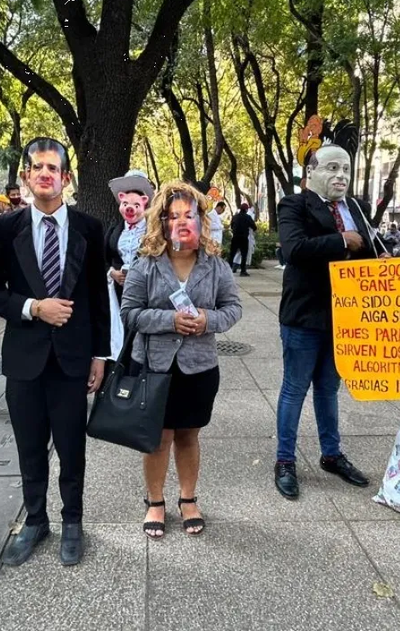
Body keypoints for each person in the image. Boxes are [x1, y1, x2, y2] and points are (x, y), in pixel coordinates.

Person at [0, 137, 109, 567]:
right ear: (25, 176)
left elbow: (97, 295)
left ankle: (72, 522)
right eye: (36, 167)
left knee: (72, 447)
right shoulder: (5, 227)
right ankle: (35, 521)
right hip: (24, 359)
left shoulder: (90, 229)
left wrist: (100, 354)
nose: (44, 174)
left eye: (52, 168)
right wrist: (33, 307)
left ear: (65, 178)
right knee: (30, 446)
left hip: (73, 359)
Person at [121, 181, 243, 538]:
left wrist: (208, 320)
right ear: (162, 221)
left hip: (199, 366)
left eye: (188, 214)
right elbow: (129, 313)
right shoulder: (146, 263)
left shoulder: (215, 265)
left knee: (189, 435)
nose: (181, 221)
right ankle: (155, 501)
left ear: (200, 219)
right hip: (155, 366)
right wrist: (168, 320)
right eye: (173, 215)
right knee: (158, 438)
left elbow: (233, 309)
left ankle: (188, 498)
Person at [274, 122, 387, 500]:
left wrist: (381, 258)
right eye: (332, 168)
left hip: (345, 318)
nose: (341, 176)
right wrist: (340, 239)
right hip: (305, 316)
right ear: (311, 173)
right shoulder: (293, 204)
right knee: (294, 389)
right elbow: (295, 250)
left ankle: (332, 454)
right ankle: (285, 460)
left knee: (328, 389)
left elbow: (366, 249)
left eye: (346, 170)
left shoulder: (355, 207)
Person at [105, 170, 154, 360]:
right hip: (117, 293)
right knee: (119, 331)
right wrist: (112, 273)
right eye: (126, 203)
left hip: (145, 294)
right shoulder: (114, 229)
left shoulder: (154, 231)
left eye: (135, 204)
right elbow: (103, 258)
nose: (130, 208)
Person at [227, 202, 257, 276]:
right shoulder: (248, 217)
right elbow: (254, 227)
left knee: (232, 254)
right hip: (244, 238)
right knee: (244, 255)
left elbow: (231, 226)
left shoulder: (235, 217)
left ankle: (228, 270)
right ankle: (243, 271)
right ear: (246, 210)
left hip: (235, 237)